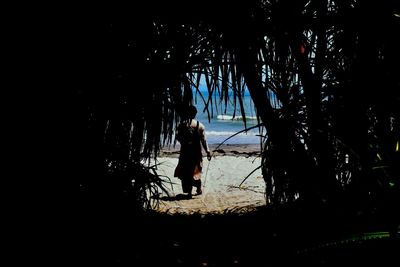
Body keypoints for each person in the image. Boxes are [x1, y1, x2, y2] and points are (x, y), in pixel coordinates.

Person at [174, 105, 212, 198]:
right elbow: (204, 140)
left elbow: (178, 137)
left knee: (186, 171)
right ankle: (198, 188)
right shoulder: (200, 125)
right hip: (196, 152)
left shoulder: (182, 125)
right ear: (195, 114)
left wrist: (184, 142)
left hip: (185, 152)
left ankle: (189, 191)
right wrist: (208, 151)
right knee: (196, 171)